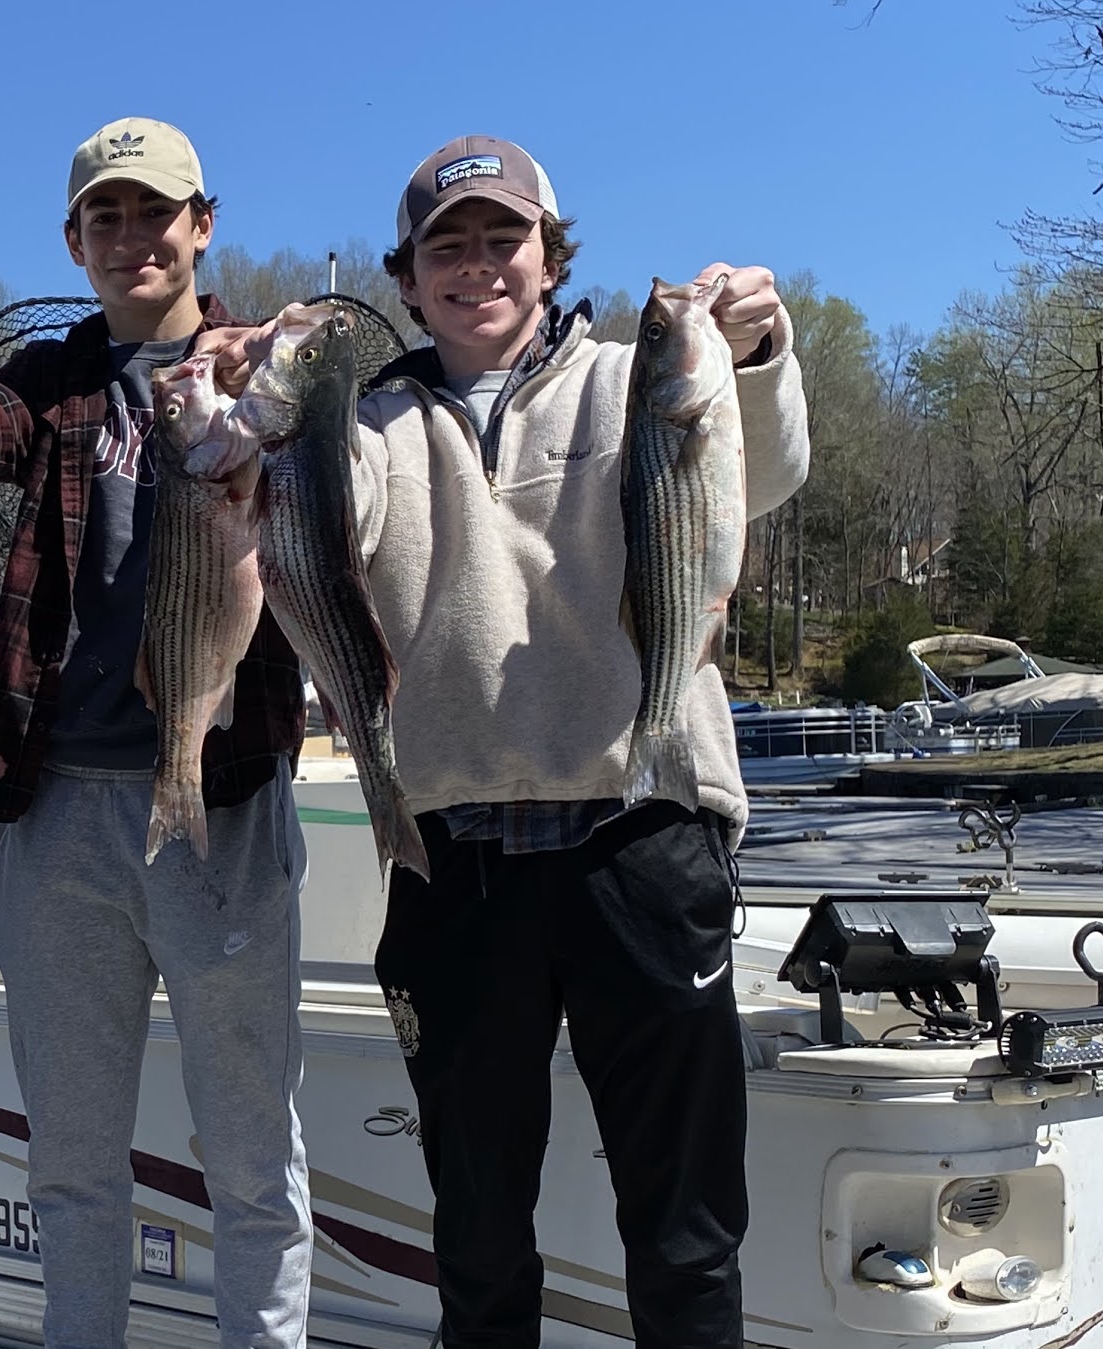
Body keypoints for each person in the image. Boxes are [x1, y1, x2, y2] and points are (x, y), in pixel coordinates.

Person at [0, 118, 314, 1349]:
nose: (130, 238)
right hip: (56, 816)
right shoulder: (49, 385)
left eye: (153, 212)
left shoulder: (252, 375)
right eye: (103, 218)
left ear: (200, 224)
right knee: (69, 1155)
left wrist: (284, 379)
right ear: (72, 240)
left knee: (252, 1153)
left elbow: (330, 472)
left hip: (223, 798)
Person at [341, 135, 811, 1348]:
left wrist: (753, 350)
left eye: (504, 239)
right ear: (406, 278)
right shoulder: (372, 421)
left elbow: (759, 471)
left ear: (551, 256)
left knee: (683, 1223)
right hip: (454, 861)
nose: (477, 266)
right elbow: (321, 517)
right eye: (446, 248)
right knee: (477, 1233)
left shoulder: (632, 377)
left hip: (641, 838)